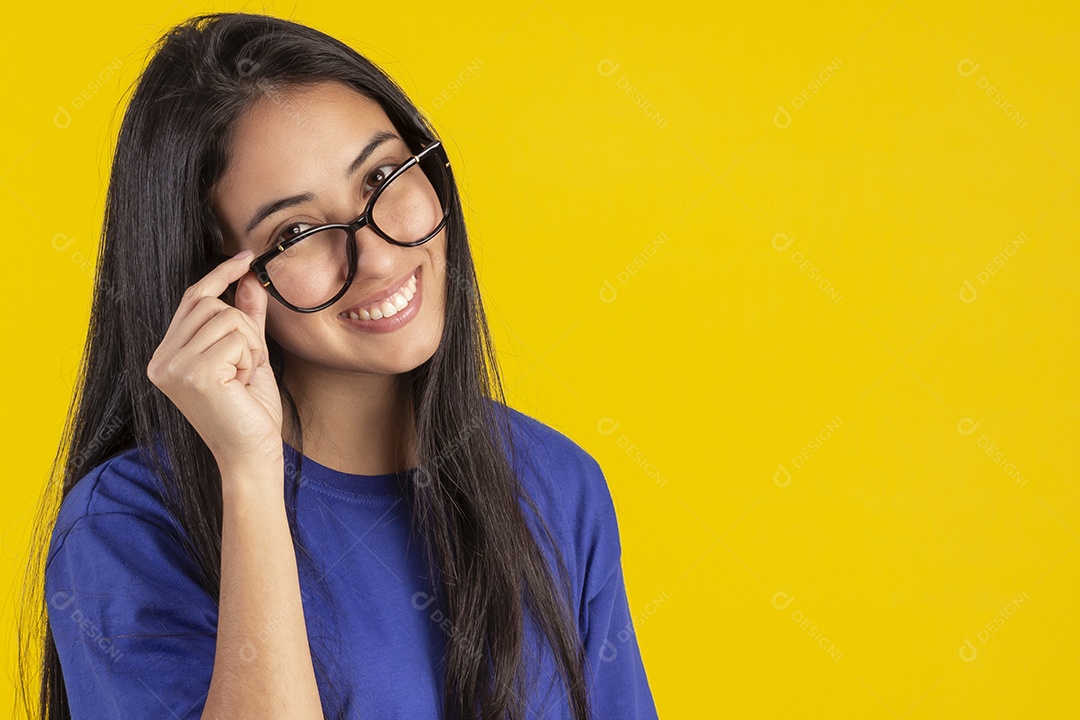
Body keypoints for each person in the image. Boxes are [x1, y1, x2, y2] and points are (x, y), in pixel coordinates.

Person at [18, 12, 658, 720]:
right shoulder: (126, 526)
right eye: (296, 232)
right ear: (216, 280)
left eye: (383, 175)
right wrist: (250, 477)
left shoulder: (555, 481)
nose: (379, 255)